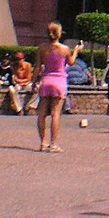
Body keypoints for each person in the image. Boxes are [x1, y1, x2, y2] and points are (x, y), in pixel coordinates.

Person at [33, 22, 81, 153]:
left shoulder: (42, 48)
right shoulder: (64, 49)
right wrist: (76, 51)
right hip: (59, 81)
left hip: (46, 80)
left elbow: (37, 66)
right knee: (55, 114)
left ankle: (43, 143)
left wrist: (33, 82)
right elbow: (71, 62)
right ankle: (53, 144)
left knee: (41, 114)